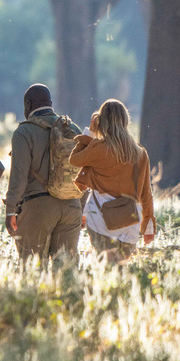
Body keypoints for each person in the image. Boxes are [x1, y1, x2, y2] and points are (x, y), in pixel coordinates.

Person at [69, 99, 156, 262]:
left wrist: (89, 134)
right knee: (121, 270)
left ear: (102, 122)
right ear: (125, 120)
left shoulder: (99, 148)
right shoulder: (140, 153)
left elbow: (74, 160)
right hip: (129, 223)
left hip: (100, 220)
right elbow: (146, 192)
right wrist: (148, 226)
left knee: (106, 269)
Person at [4, 83, 82, 261]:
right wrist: (82, 208)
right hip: (72, 207)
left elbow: (19, 176)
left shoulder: (24, 132)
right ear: (51, 103)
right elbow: (83, 172)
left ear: (28, 105)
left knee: (32, 269)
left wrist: (10, 210)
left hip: (37, 207)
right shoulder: (73, 129)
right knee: (65, 272)